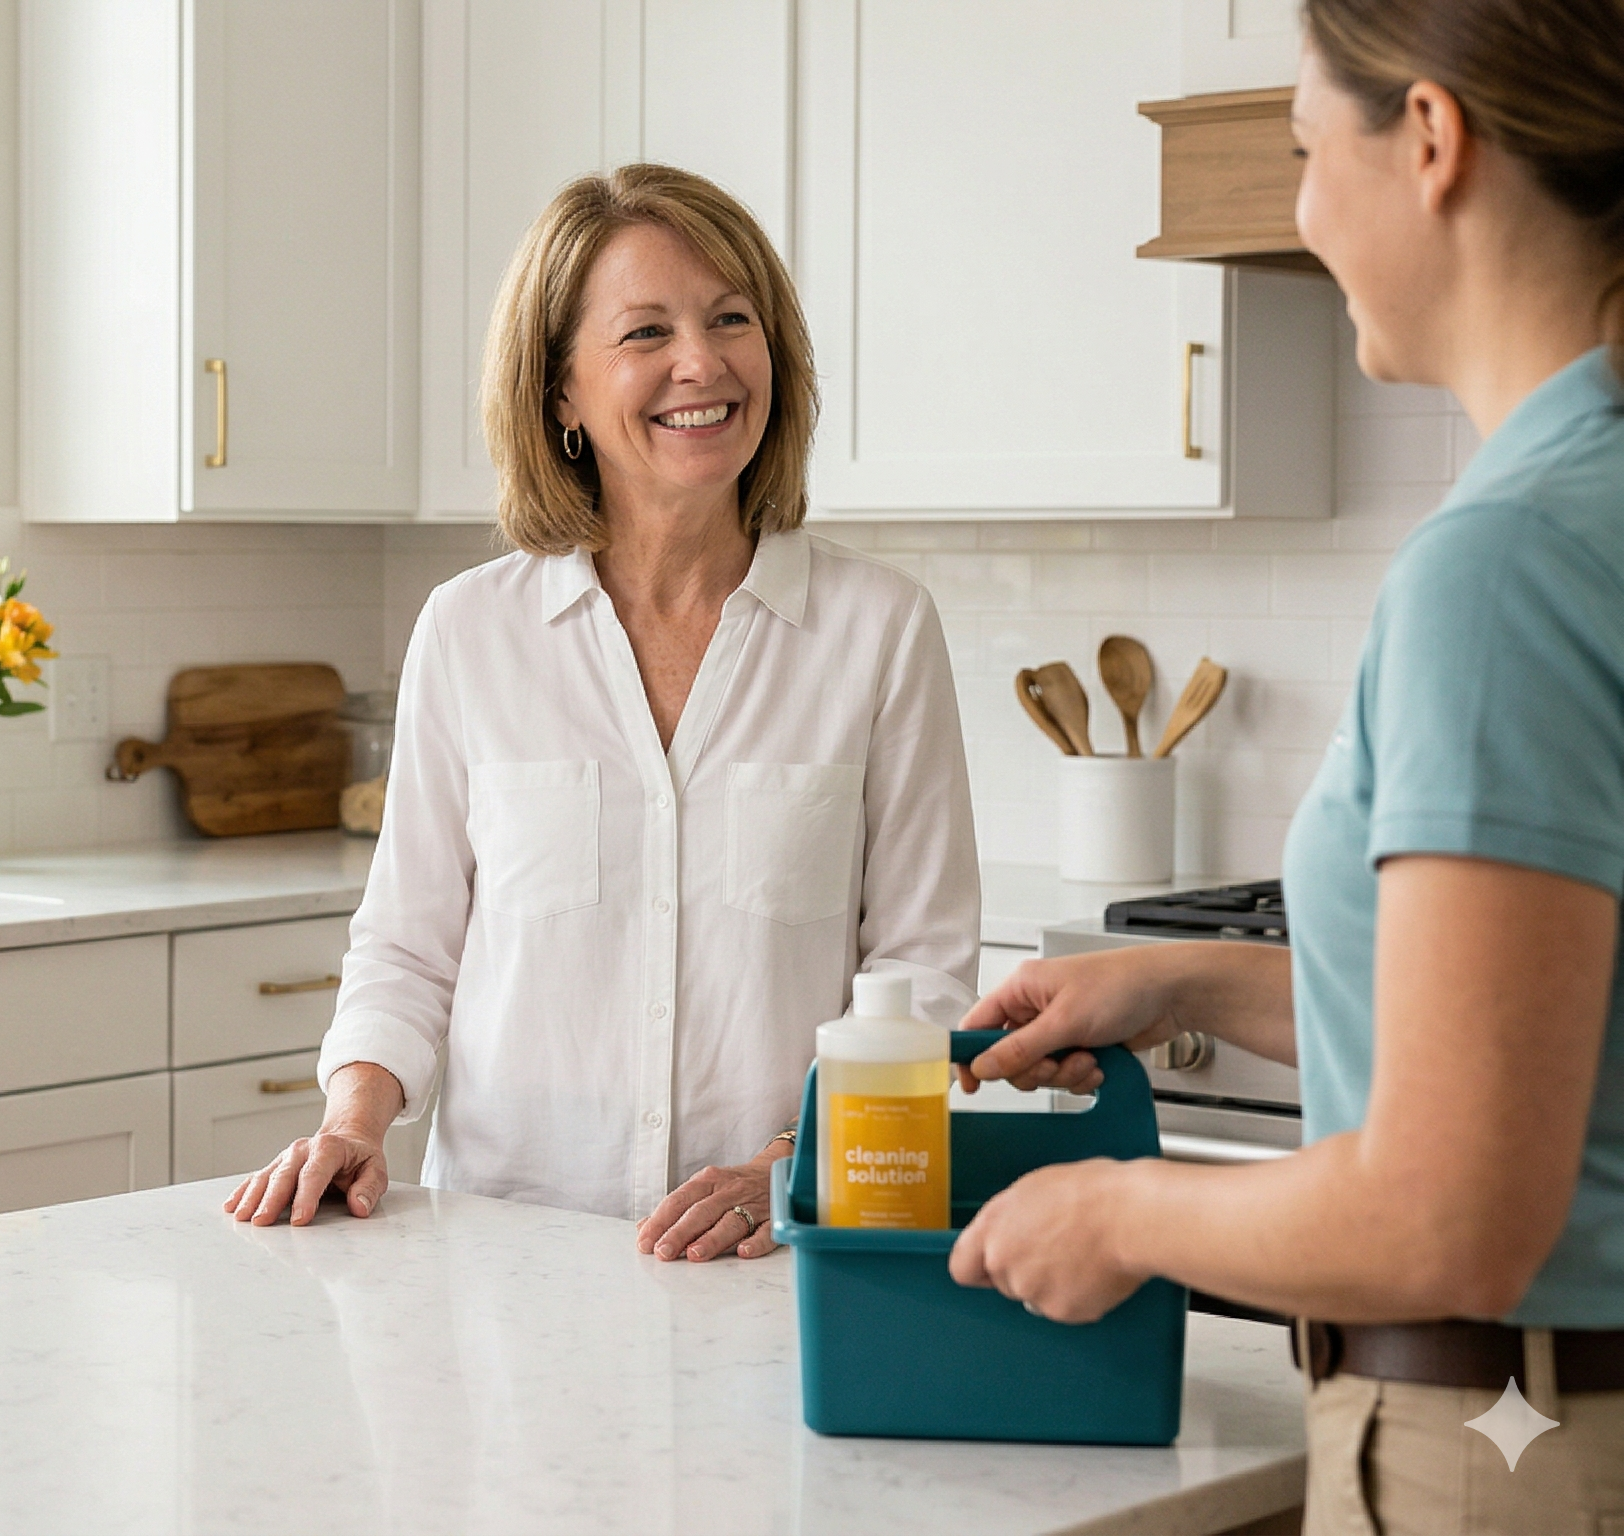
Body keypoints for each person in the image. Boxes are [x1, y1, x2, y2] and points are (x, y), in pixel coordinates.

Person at [949, 2, 1624, 1530]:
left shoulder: (1507, 561)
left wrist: (1124, 1211)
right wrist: (1185, 989)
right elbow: (1554, 1059)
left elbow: (1456, 1212)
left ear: (1434, 142)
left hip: (1512, 1449)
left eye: (1314, 150)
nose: (1309, 209)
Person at [226, 164, 979, 1261]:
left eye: (733, 319)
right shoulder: (471, 632)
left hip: (770, 1261)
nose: (703, 363)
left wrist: (792, 1169)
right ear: (560, 391)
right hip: (500, 1259)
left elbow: (924, 976)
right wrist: (354, 1122)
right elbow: (407, 945)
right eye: (646, 332)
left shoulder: (879, 630)